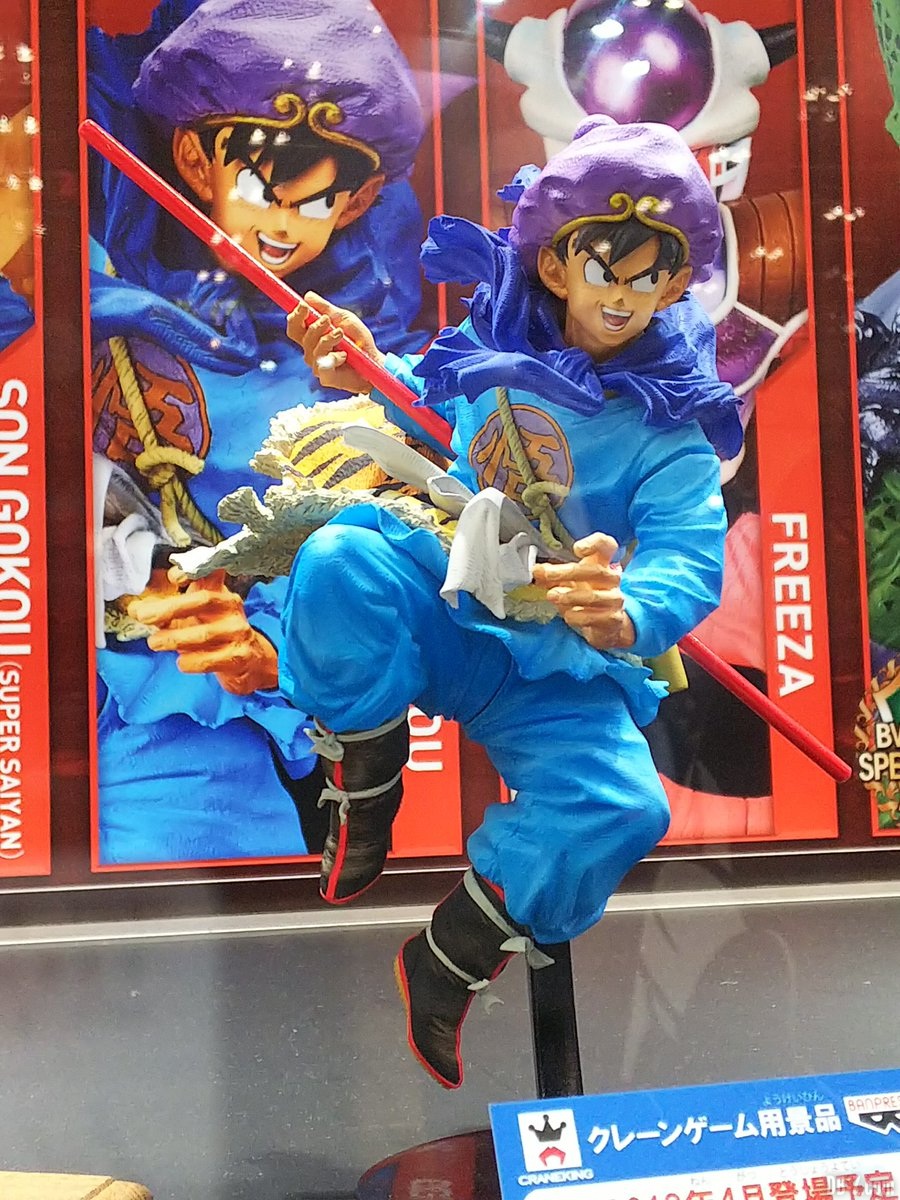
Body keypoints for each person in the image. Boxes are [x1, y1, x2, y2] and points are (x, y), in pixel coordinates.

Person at [282, 116, 743, 1087]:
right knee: (339, 560)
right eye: (603, 267)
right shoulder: (489, 345)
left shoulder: (669, 427)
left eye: (649, 276)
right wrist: (357, 365)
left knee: (620, 806)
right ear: (557, 265)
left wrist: (627, 609)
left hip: (556, 659)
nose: (621, 294)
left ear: (674, 286)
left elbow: (689, 555)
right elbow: (423, 411)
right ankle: (364, 778)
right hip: (451, 604)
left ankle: (454, 950)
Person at [88, 0, 427, 863]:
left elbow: (387, 555)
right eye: (261, 191)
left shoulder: (360, 365)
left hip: (188, 716)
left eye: (316, 203)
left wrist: (270, 646)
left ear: (357, 203)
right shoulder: (96, 273)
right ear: (193, 160)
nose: (282, 224)